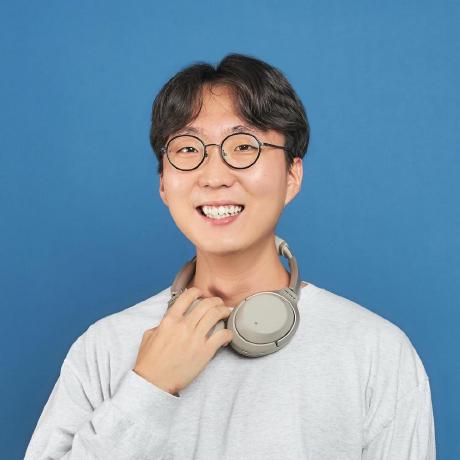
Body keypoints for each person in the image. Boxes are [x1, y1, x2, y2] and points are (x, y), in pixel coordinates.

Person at [24, 53, 436, 459]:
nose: (215, 176)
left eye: (243, 146)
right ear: (163, 183)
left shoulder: (375, 351)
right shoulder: (105, 347)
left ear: (292, 175)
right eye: (188, 149)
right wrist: (149, 386)